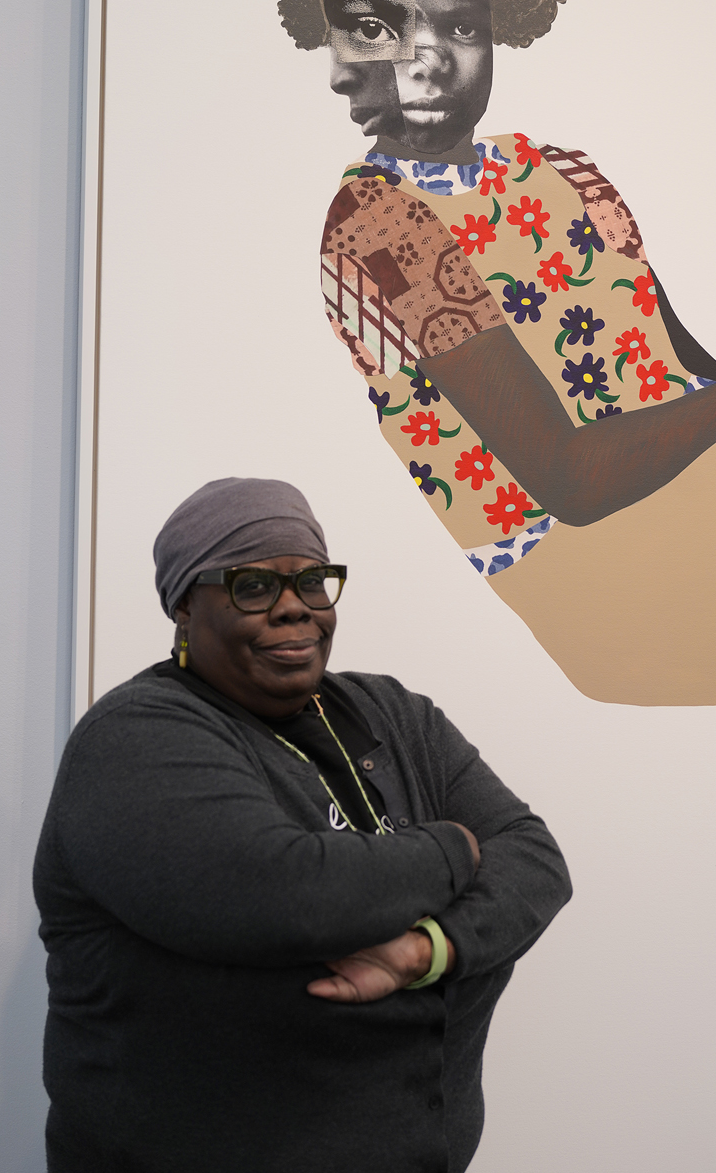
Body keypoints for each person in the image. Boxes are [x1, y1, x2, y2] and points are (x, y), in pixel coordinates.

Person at [276, 0, 716, 706]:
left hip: (708, 512)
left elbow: (697, 383)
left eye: (462, 28)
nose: (430, 59)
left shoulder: (562, 172)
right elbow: (573, 484)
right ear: (337, 39)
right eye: (382, 29)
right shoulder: (378, 221)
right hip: (619, 592)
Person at [34, 476, 572, 1173]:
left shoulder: (394, 715)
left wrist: (426, 949)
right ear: (183, 608)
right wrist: (453, 848)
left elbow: (533, 861)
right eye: (252, 586)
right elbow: (286, 896)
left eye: (312, 582)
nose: (294, 610)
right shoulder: (136, 736)